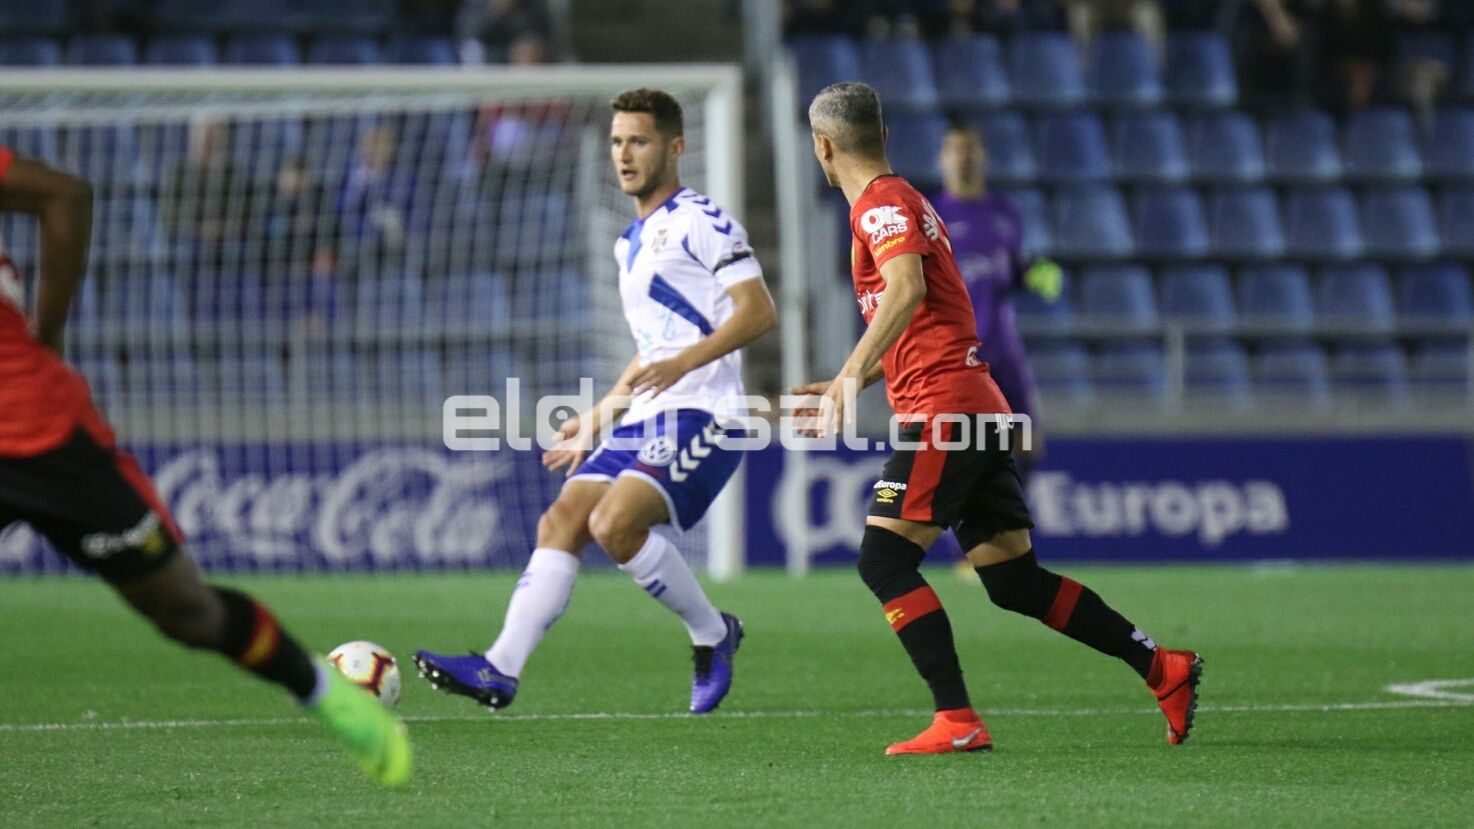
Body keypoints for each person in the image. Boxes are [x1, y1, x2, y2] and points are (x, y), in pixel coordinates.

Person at [795, 82, 1199, 755]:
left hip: (946, 409)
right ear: (886, 136)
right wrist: (856, 375)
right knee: (1013, 580)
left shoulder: (881, 206)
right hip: (975, 403)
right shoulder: (909, 201)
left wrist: (847, 374)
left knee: (883, 559)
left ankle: (957, 718)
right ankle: (1163, 665)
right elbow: (919, 316)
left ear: (823, 147)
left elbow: (906, 289)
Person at [0, 147, 410, 785]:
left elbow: (66, 195)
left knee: (186, 612)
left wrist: (45, 338)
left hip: (36, 425)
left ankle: (322, 692)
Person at [414, 89, 778, 714]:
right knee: (561, 522)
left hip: (706, 414)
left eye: (638, 141)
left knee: (614, 525)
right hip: (646, 413)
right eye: (616, 142)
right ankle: (499, 669)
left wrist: (687, 362)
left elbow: (758, 312)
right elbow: (652, 346)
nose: (625, 154)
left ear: (675, 147)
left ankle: (713, 634)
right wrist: (599, 415)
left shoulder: (703, 221)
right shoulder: (627, 243)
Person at [931, 121, 1060, 481]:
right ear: (942, 158)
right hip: (960, 357)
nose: (964, 158)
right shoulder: (933, 217)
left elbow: (1011, 267)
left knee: (1029, 444)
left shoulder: (1006, 212)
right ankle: (969, 538)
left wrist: (1033, 272)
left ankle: (1009, 529)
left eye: (970, 149)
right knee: (968, 458)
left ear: (983, 156)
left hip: (1005, 350)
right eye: (956, 150)